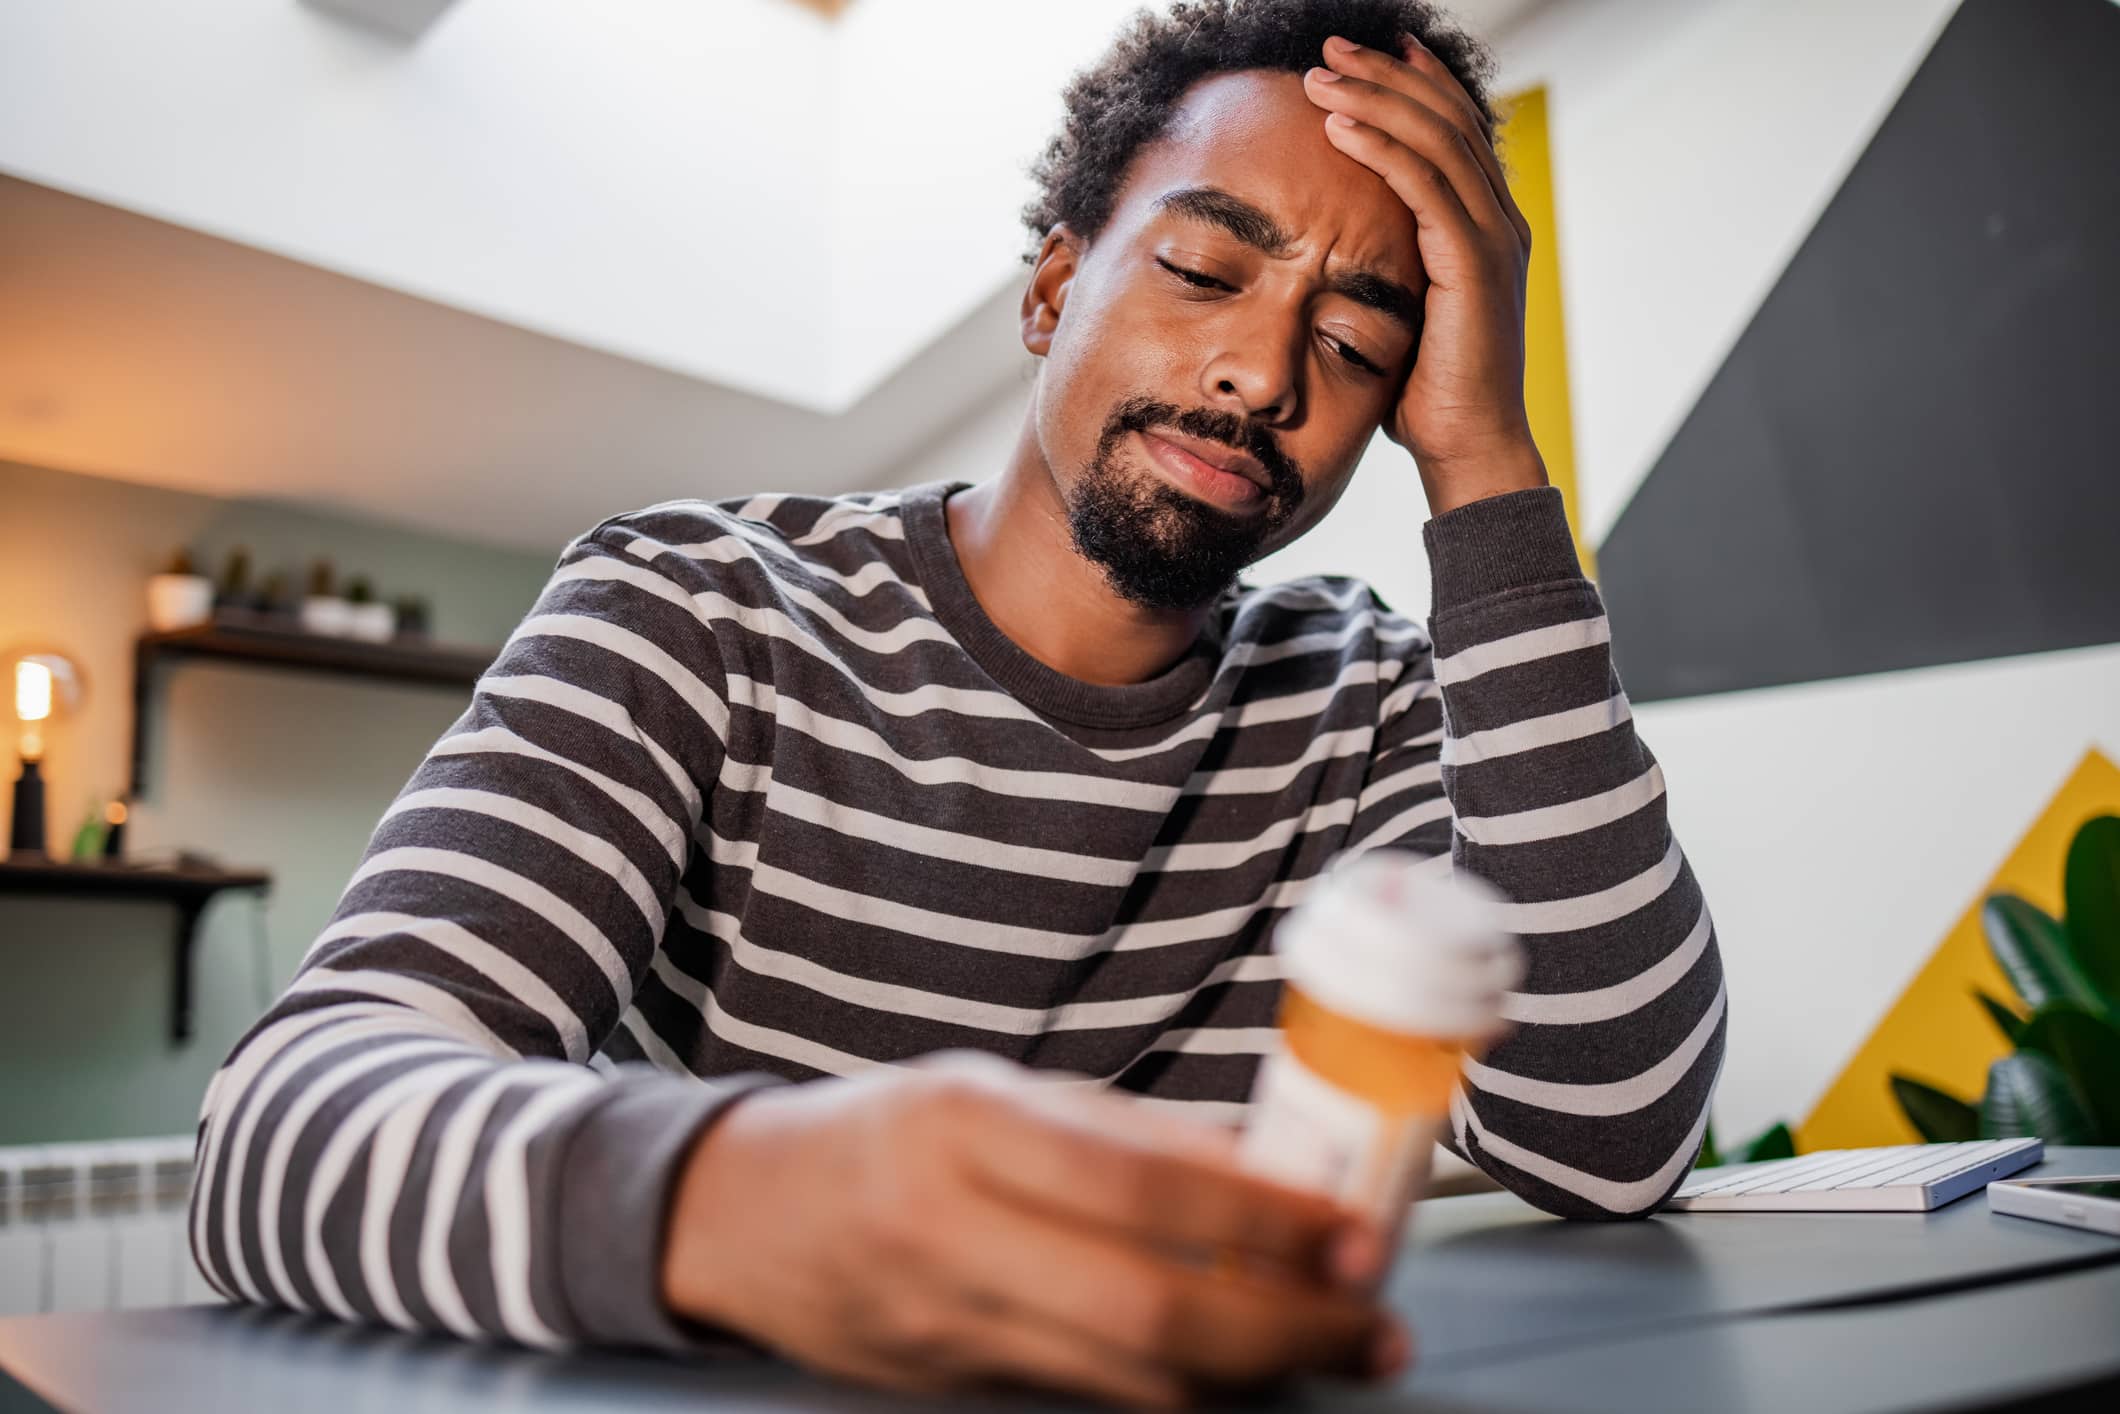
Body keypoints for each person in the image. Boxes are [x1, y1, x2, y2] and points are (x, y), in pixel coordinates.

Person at [190, 0, 1725, 1405]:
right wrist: (750, 1195)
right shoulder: (697, 607)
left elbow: (1612, 1129)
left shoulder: (1365, 697)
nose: (1263, 370)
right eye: (1204, 268)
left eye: (1355, 343)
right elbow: (278, 1131)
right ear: (1056, 289)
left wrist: (1487, 460)